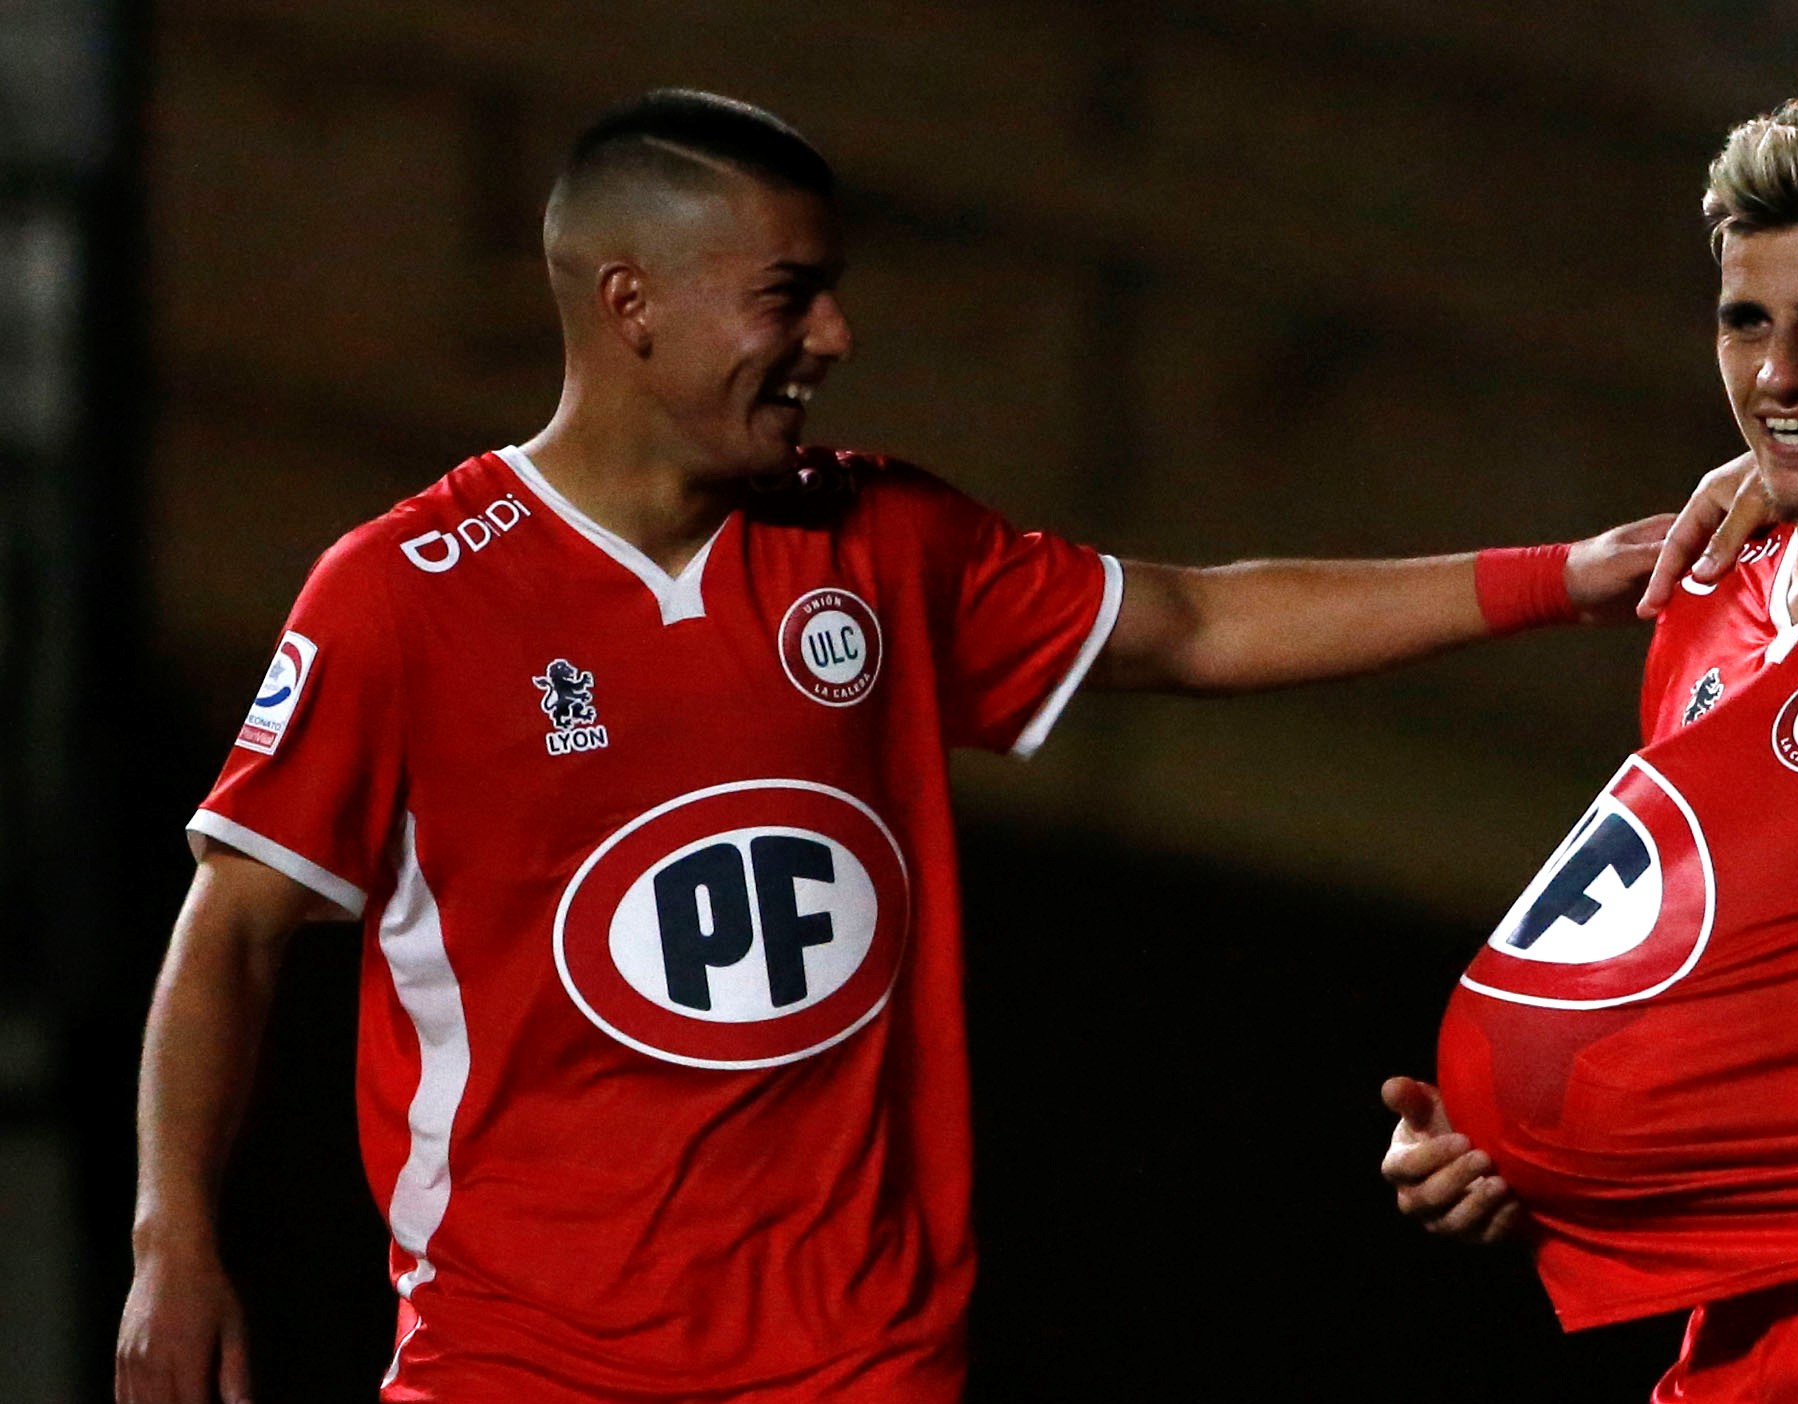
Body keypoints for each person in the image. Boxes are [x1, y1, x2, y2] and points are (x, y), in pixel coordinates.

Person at [113, 90, 1669, 1404]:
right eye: (788, 294)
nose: (836, 336)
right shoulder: (401, 596)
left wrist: (1567, 577)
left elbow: (1191, 624)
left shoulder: (883, 541)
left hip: (859, 1363)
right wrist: (172, 1244)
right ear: (629, 302)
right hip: (528, 1363)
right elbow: (234, 930)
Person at [1381, 90, 1798, 1403]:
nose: (1777, 376)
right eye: (1745, 323)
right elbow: (1723, 970)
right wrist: (1513, 1149)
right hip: (1743, 1329)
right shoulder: (1706, 585)